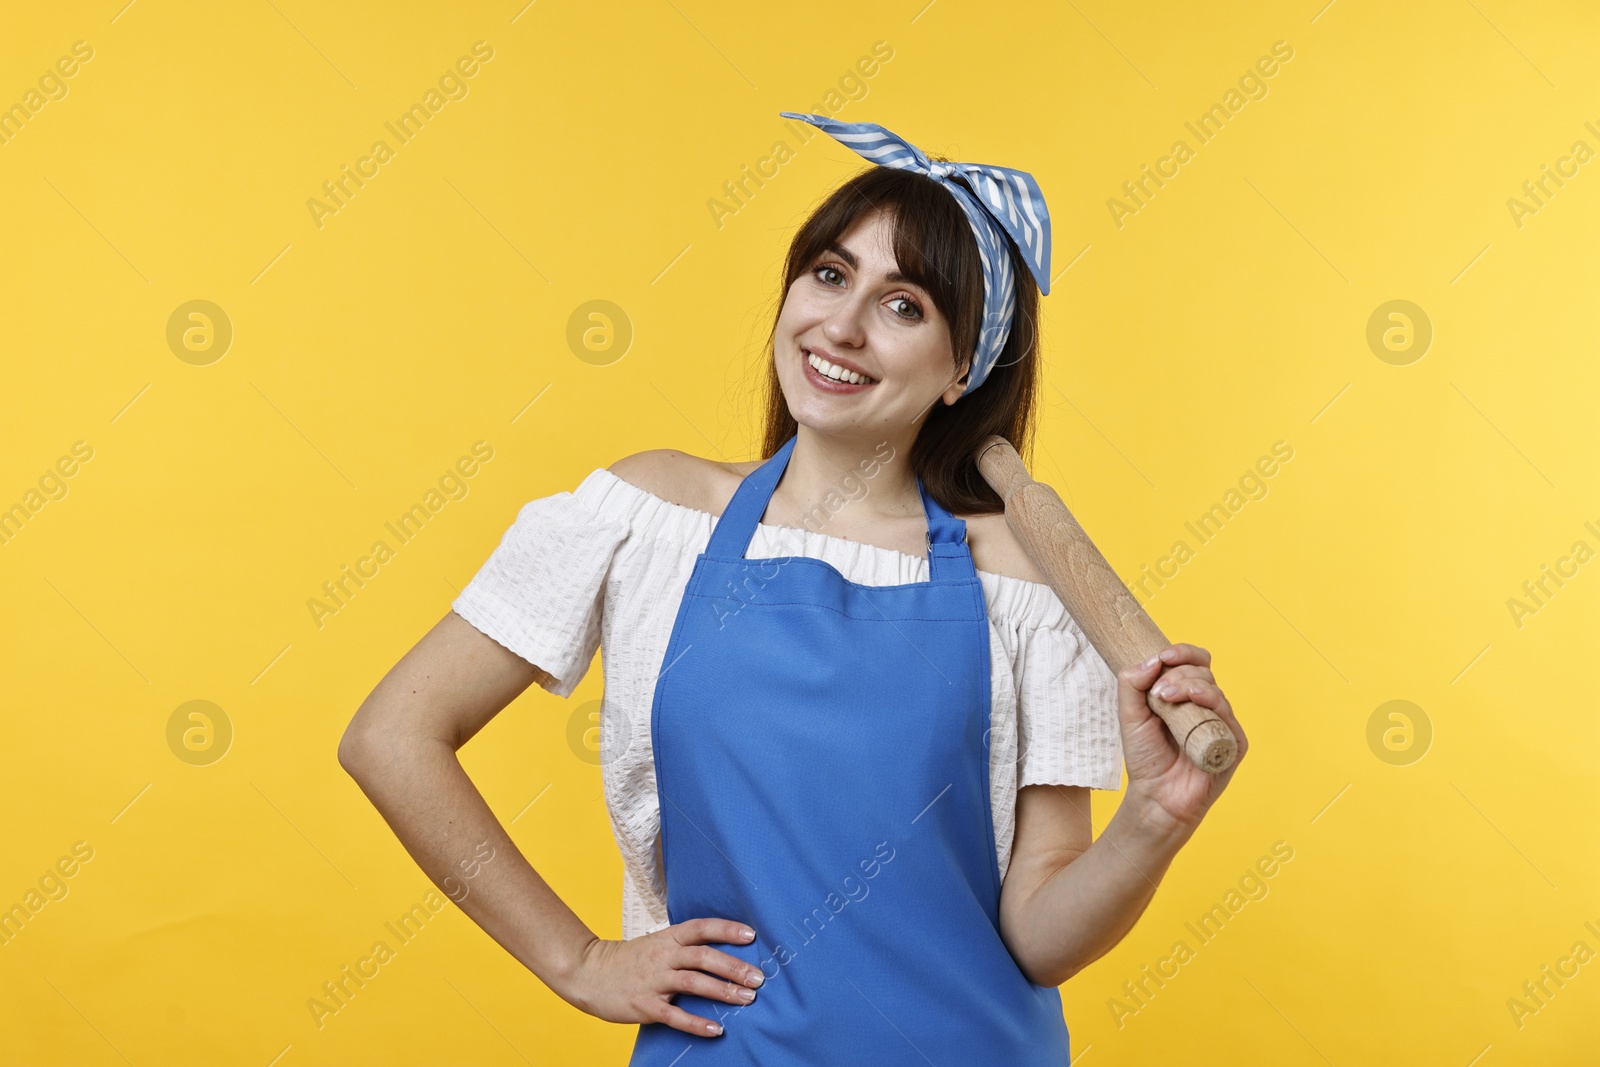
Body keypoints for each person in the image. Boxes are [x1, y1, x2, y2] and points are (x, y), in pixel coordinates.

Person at [338, 112, 1247, 1063]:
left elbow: (1036, 933)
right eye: (830, 272)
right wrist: (578, 960)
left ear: (963, 367)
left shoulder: (1018, 576)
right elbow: (392, 736)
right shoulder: (649, 517)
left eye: (906, 306)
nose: (843, 326)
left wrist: (1154, 822)